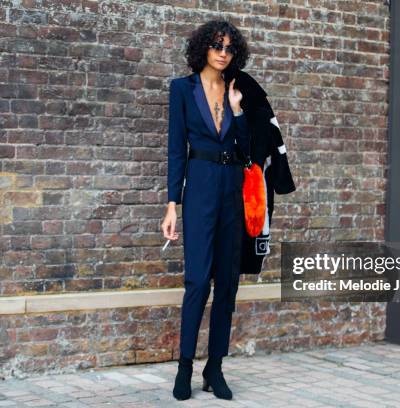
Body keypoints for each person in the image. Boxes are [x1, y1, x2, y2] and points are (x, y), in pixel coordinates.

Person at [161, 19, 251, 401]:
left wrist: (238, 112)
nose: (223, 53)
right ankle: (184, 367)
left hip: (232, 189)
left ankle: (215, 368)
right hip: (198, 190)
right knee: (197, 280)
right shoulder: (182, 89)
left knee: (227, 284)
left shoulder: (238, 90)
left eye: (230, 48)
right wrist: (171, 205)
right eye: (217, 45)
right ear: (204, 47)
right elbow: (176, 149)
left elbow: (248, 151)